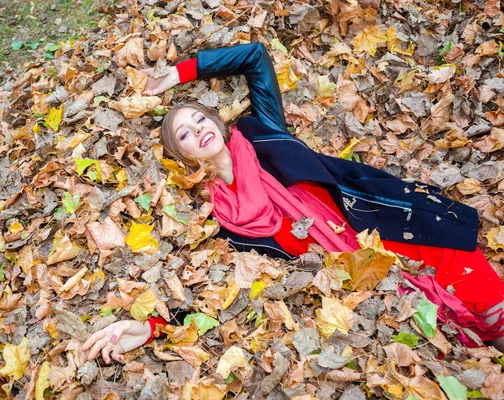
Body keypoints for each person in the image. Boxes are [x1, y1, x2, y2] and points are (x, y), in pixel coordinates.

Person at [82, 42, 504, 363]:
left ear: (216, 122)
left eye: (199, 119)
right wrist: (151, 327)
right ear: (183, 157)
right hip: (365, 285)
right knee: (455, 349)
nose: (198, 130)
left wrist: (178, 74)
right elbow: (218, 293)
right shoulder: (223, 219)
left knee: (493, 307)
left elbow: (254, 57)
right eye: (185, 134)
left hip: (395, 228)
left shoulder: (262, 133)